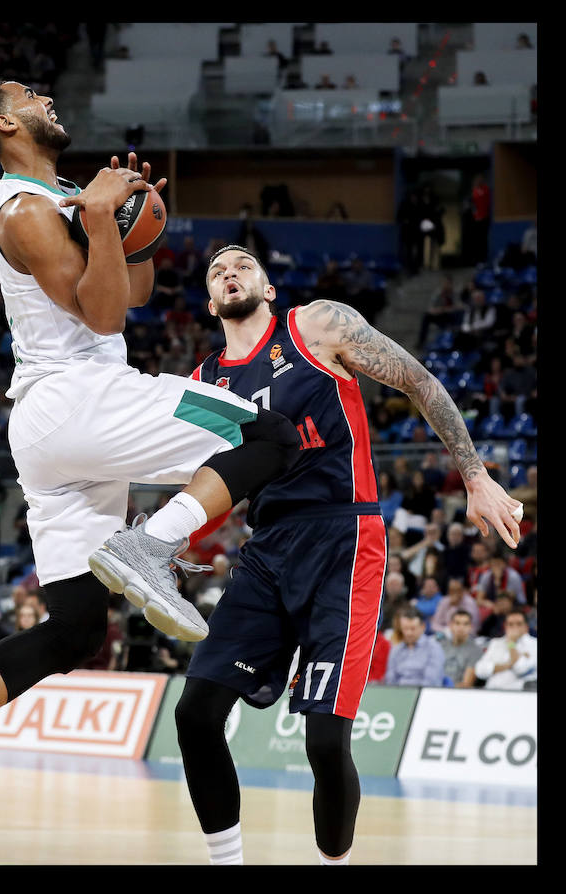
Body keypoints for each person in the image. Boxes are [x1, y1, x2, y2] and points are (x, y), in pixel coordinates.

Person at [0, 81, 300, 842]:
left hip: (56, 432)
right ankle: (151, 543)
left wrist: (132, 228)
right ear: (7, 123)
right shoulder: (25, 208)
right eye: (29, 95)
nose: (46, 97)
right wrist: (97, 217)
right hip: (81, 397)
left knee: (76, 629)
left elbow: (126, 291)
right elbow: (100, 317)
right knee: (267, 437)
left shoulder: (60, 193)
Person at [174, 244, 522, 866]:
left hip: (345, 538)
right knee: (196, 712)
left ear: (269, 287)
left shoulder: (316, 326)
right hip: (267, 546)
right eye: (218, 272)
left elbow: (419, 380)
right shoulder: (204, 384)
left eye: (244, 265)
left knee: (325, 741)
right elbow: (200, 481)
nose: (231, 273)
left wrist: (474, 474)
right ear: (209, 300)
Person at [474, 609, 537, 690]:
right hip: (491, 690)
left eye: (519, 624)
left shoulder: (534, 644)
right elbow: (479, 670)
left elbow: (520, 669)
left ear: (526, 627)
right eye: (510, 624)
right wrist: (508, 665)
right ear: (505, 626)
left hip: (518, 693)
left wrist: (511, 644)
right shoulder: (496, 642)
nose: (514, 628)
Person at [384, 607, 446, 687]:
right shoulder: (396, 650)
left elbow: (432, 681)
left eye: (413, 629)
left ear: (423, 627)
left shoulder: (434, 648)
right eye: (405, 628)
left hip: (424, 695)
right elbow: (390, 680)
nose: (409, 633)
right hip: (397, 694)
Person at [438, 610, 483, 687]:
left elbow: (467, 684)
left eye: (465, 624)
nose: (461, 628)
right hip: (433, 689)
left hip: (457, 694)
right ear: (450, 625)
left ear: (470, 627)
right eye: (457, 623)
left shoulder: (475, 650)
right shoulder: (440, 645)